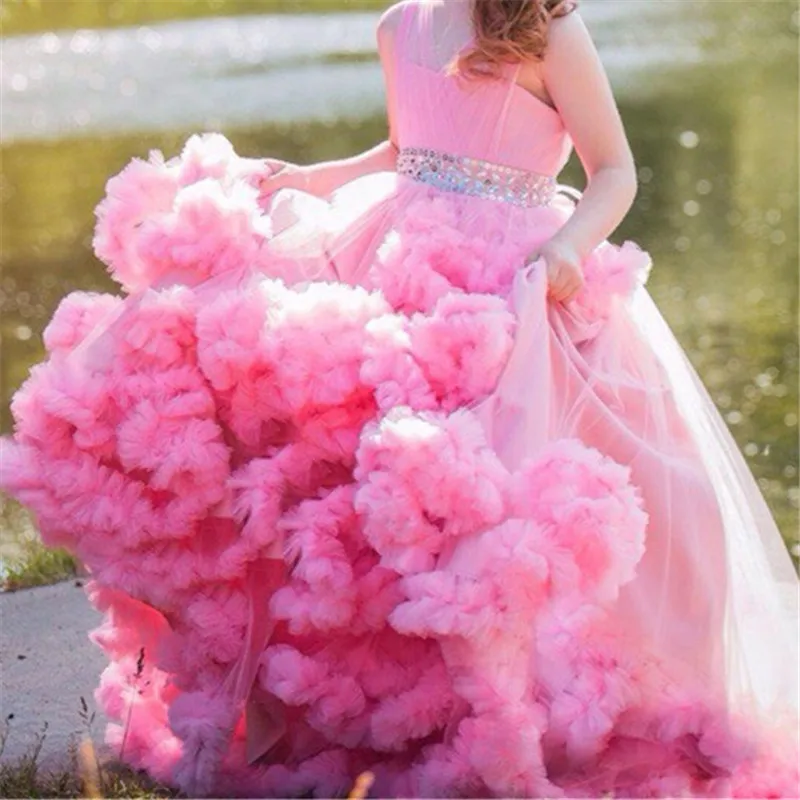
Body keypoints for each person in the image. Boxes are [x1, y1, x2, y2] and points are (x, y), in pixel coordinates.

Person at [1, 0, 798, 797]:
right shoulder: (400, 25)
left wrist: (566, 246)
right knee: (351, 467)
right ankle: (375, 701)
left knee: (508, 489)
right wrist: (319, 178)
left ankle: (553, 695)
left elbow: (614, 169)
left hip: (513, 274)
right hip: (404, 251)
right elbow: (404, 147)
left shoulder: (545, 27)